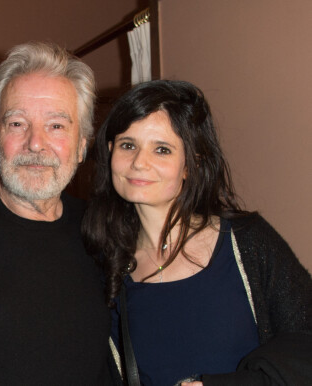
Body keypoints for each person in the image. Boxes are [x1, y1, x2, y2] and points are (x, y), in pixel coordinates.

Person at [82, 79, 312, 385]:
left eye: (162, 149)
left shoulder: (246, 242)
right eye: (128, 145)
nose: (139, 162)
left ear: (190, 165)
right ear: (110, 151)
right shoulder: (106, 267)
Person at [0, 41, 115, 385]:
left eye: (57, 126)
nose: (35, 143)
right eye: (17, 123)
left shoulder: (103, 231)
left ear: (82, 146)